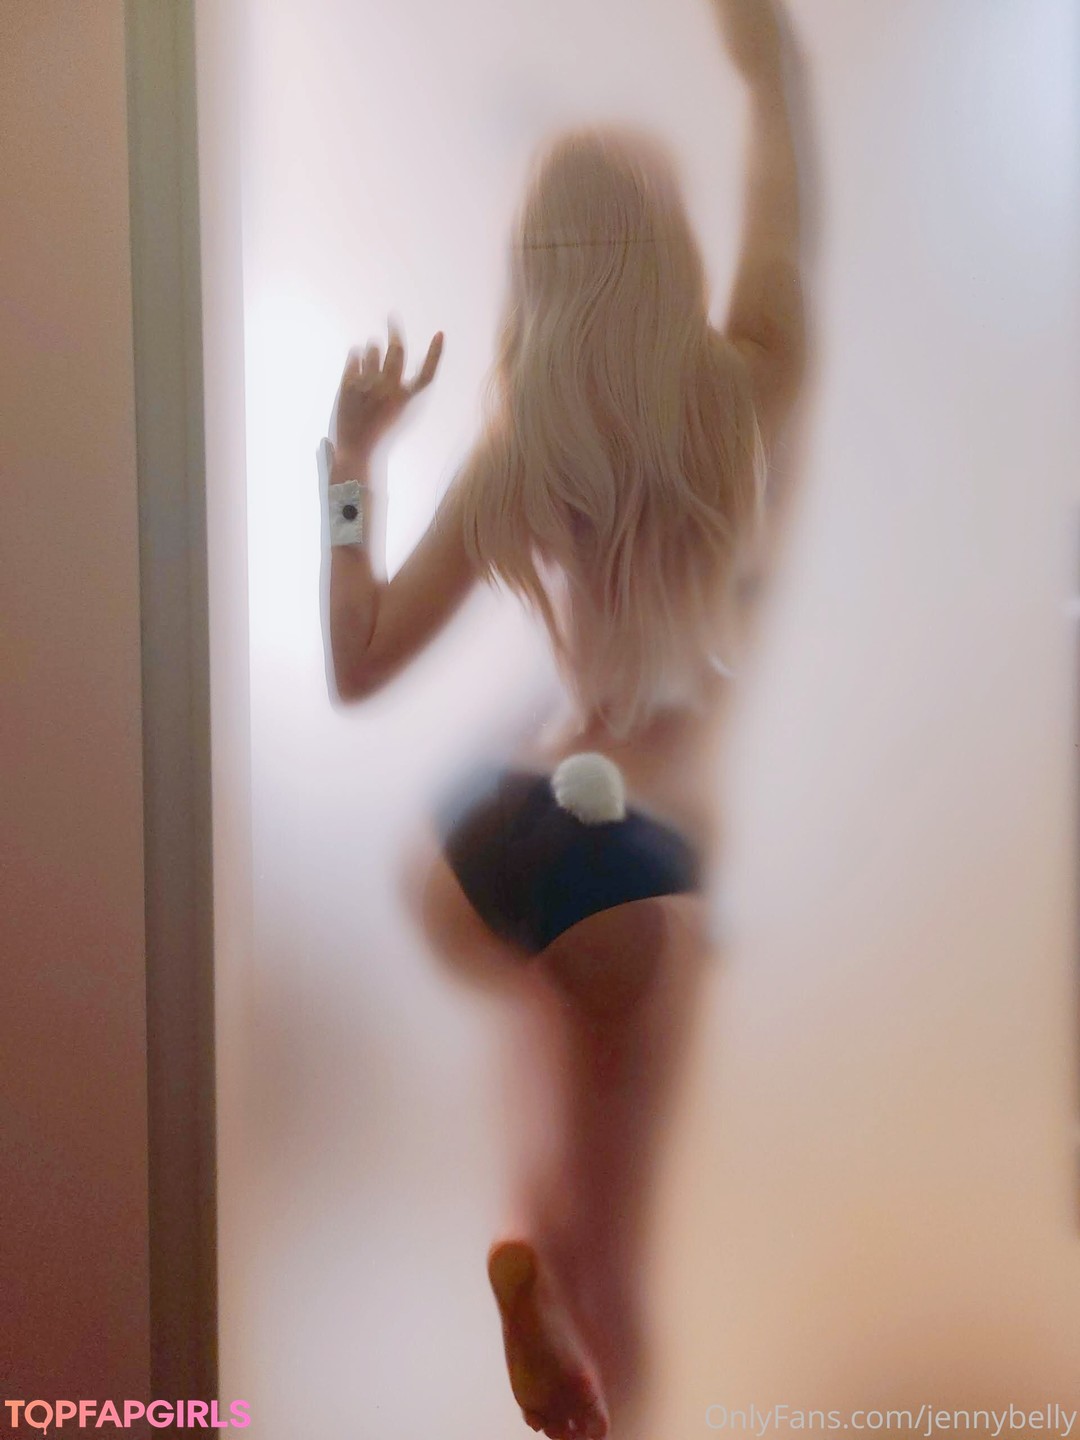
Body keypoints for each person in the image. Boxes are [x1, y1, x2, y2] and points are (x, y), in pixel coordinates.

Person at [320, 2, 811, 1433]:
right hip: (635, 856)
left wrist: (351, 463)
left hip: (486, 838)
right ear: (668, 256)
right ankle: (597, 1367)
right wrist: (770, 79)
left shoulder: (520, 450)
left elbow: (359, 661)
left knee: (544, 1097)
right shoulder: (740, 397)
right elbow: (785, 228)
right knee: (621, 1226)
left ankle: (536, 1281)